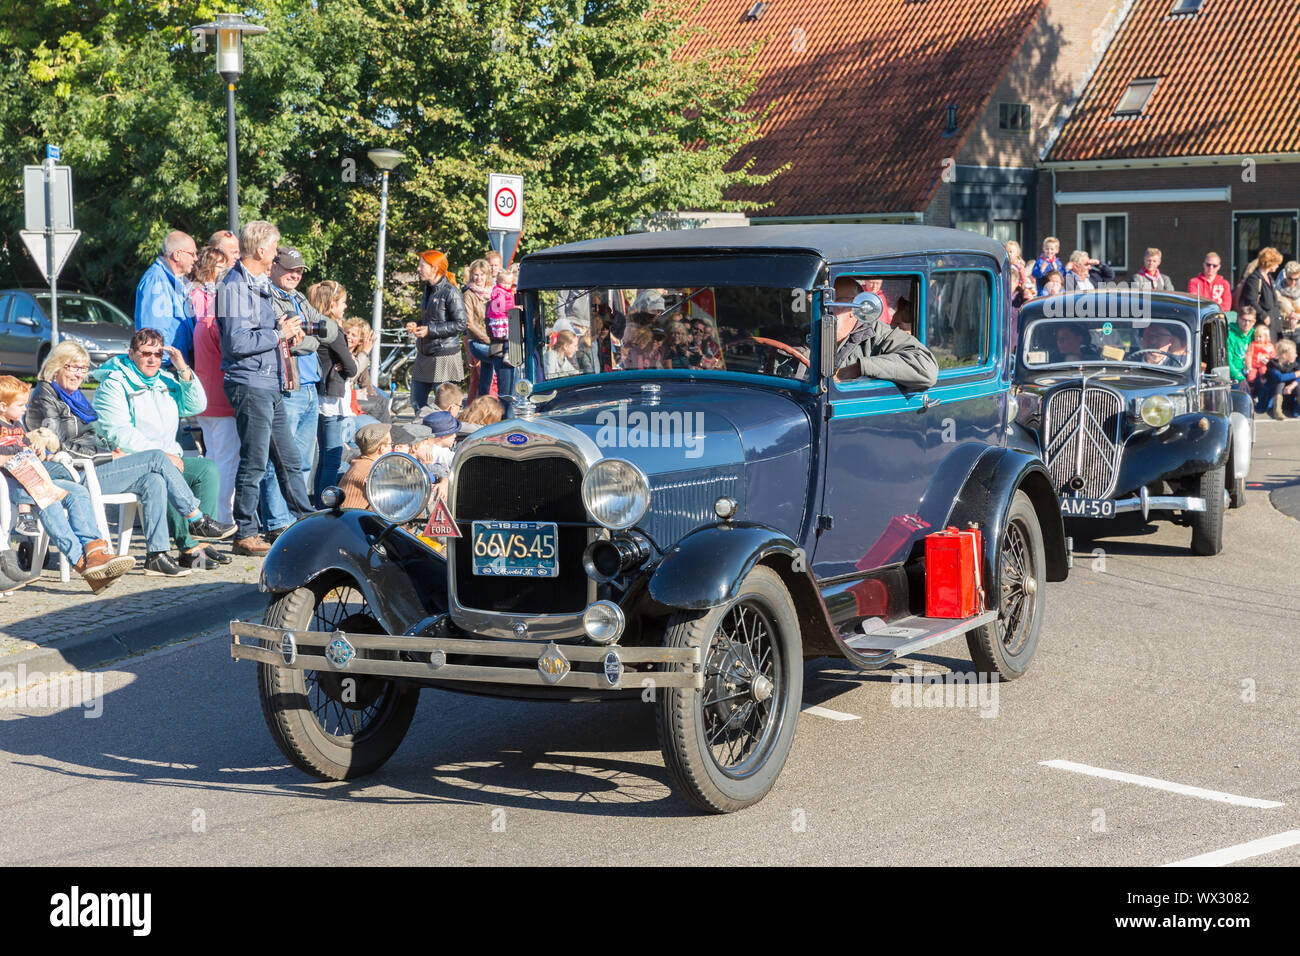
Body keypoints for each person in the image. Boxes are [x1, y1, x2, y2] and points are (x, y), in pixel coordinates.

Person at [26, 343, 233, 575]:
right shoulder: (45, 397)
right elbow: (59, 447)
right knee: (156, 457)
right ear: (56, 367)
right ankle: (196, 519)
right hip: (75, 474)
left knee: (153, 479)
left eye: (83, 368)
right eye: (73, 367)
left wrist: (108, 448)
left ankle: (157, 554)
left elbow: (92, 436)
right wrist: (107, 453)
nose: (80, 374)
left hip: (95, 466)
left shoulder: (73, 396)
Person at [92, 329, 236, 570]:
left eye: (158, 354)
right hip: (130, 461)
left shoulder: (164, 380)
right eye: (146, 353)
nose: (152, 360)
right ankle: (189, 548)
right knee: (165, 474)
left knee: (207, 469)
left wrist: (183, 370)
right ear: (131, 353)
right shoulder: (114, 384)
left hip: (167, 458)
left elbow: (196, 405)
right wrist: (161, 455)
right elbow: (119, 432)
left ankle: (197, 542)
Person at [216, 220, 314, 556]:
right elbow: (236, 341)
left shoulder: (255, 283)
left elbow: (257, 327)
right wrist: (278, 334)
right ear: (260, 250)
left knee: (289, 458)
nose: (276, 255)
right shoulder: (232, 286)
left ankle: (306, 521)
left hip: (269, 381)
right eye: (274, 249)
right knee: (255, 460)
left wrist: (283, 326)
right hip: (249, 382)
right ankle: (245, 532)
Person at [0, 376, 136, 592]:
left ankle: (94, 551)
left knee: (78, 492)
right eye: (21, 405)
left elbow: (27, 448)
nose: (25, 409)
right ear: (3, 406)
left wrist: (36, 451)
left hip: (37, 476)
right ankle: (82, 564)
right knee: (51, 505)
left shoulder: (16, 425)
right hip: (18, 485)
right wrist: (13, 460)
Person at [262, 247, 340, 535]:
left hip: (309, 388)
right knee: (281, 460)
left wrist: (303, 336)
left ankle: (295, 521)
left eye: (299, 271)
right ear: (273, 268)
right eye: (289, 269)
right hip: (286, 388)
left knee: (304, 461)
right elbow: (284, 342)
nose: (295, 275)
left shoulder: (297, 298)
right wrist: (304, 337)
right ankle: (277, 522)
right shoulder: (267, 297)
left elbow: (330, 332)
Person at [191, 245, 238, 524]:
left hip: (205, 394)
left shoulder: (205, 315)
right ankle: (223, 516)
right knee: (226, 461)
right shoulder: (214, 317)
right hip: (220, 397)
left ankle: (211, 512)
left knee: (213, 458)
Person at [825, 276, 937, 387]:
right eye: (825, 302)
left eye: (835, 302)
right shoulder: (812, 334)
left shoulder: (881, 335)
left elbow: (927, 368)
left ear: (856, 308)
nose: (826, 310)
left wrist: (858, 369)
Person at [306, 280, 358, 505]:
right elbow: (352, 367)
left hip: (318, 393)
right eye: (343, 303)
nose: (345, 307)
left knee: (324, 457)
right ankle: (324, 504)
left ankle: (319, 501)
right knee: (332, 457)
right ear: (332, 304)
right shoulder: (332, 330)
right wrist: (350, 363)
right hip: (331, 396)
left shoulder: (313, 324)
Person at [410, 250, 466, 413]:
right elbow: (432, 320)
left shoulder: (451, 291)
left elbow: (461, 324)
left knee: (443, 406)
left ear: (434, 268)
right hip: (425, 353)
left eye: (422, 265)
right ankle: (422, 436)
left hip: (443, 355)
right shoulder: (428, 289)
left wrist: (430, 330)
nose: (418, 269)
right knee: (416, 402)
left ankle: (445, 436)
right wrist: (417, 324)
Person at [134, 230, 198, 367]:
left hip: (175, 364)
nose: (196, 259)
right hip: (165, 366)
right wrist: (159, 365)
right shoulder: (157, 280)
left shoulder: (174, 281)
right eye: (192, 254)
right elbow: (152, 333)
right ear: (177, 254)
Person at [477, 267, 516, 405]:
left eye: (509, 284)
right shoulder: (500, 295)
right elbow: (490, 327)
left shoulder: (510, 294)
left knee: (510, 394)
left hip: (511, 348)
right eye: (504, 283)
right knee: (506, 396)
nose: (507, 286)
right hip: (500, 348)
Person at [338, 422, 391, 509]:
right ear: (382, 449)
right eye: (390, 444)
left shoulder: (358, 462)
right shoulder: (375, 472)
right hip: (359, 519)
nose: (391, 448)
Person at [463, 258, 494, 398]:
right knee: (504, 361)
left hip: (494, 340)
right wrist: (488, 340)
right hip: (477, 342)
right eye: (476, 274)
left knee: (485, 379)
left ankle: (484, 405)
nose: (479, 278)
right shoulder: (468, 294)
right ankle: (506, 407)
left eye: (482, 274)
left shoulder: (493, 292)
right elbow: (469, 324)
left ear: (487, 275)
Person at [1241, 247, 1284, 337]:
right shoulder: (1254, 279)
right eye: (1276, 263)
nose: (1278, 266)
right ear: (1270, 262)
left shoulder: (1269, 278)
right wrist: (1263, 315)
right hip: (1262, 324)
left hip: (1273, 323)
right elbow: (1251, 300)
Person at [1261, 338, 1300, 420]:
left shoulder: (1294, 364)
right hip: (1274, 393)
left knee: (1297, 384)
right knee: (1280, 383)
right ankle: (1277, 410)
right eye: (1294, 353)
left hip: (1288, 394)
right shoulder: (1273, 364)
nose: (1296, 355)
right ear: (1285, 355)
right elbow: (1280, 377)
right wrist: (1296, 374)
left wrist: (1292, 385)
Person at [1227, 306, 1255, 385]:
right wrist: (1240, 378)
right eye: (1244, 320)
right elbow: (1228, 362)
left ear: (1254, 322)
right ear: (1238, 319)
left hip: (1252, 372)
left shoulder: (1256, 335)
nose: (1247, 324)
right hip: (1235, 375)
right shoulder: (1230, 335)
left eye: (1250, 321)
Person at [1244, 325, 1276, 391]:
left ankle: (1263, 386)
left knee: (1264, 372)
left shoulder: (1269, 346)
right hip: (1254, 365)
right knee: (1251, 376)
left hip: (1264, 364)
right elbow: (1249, 355)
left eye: (1260, 337)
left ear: (1266, 337)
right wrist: (1248, 365)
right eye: (1256, 337)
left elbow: (1273, 355)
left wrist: (1268, 360)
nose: (1258, 338)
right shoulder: (1253, 344)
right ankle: (1251, 388)